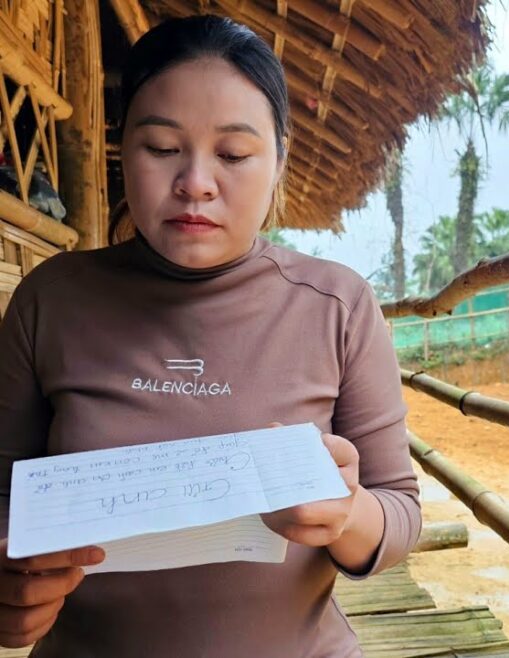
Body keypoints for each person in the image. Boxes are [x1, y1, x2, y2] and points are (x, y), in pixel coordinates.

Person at [0, 16, 420, 656]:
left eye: (232, 154)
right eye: (163, 147)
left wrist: (347, 511)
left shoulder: (337, 305)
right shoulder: (50, 300)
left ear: (278, 160)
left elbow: (399, 513)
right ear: (122, 150)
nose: (195, 181)